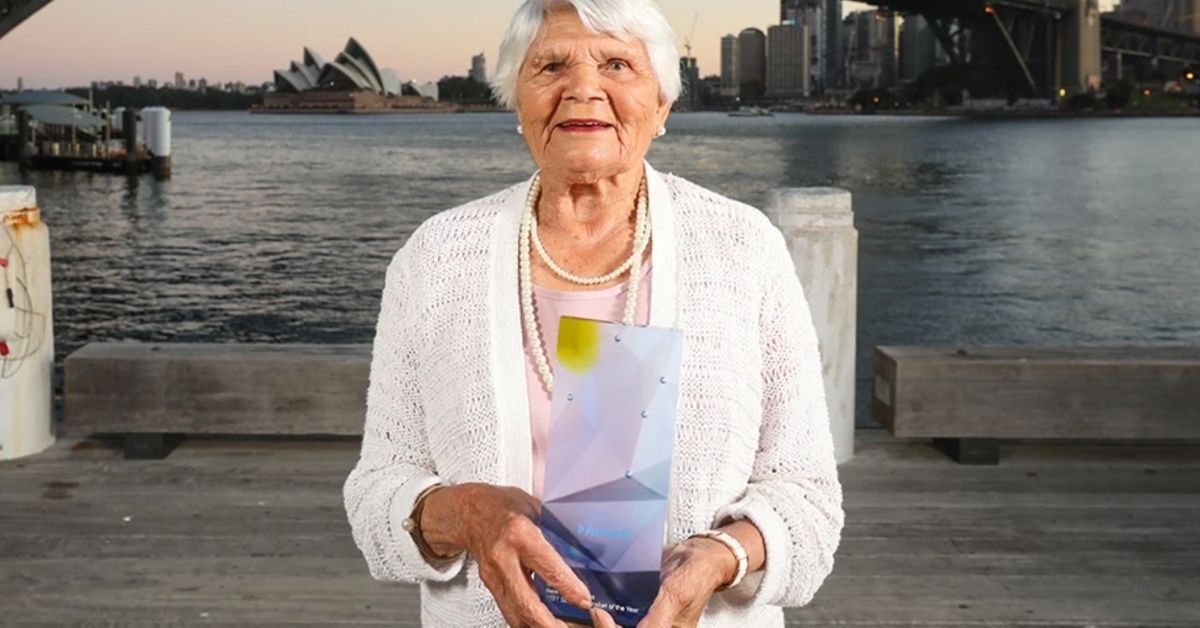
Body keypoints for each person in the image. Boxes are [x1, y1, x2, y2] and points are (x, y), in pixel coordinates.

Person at [343, 1, 844, 625]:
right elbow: (375, 495)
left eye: (616, 63)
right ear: (517, 101)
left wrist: (719, 559)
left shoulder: (743, 249)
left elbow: (809, 502)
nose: (583, 88)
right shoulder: (437, 258)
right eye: (550, 65)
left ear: (661, 104)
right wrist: (466, 515)